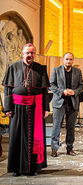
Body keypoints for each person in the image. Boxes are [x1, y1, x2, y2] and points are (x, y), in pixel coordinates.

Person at [2, 43, 50, 176]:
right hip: (17, 108)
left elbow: (44, 91)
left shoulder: (41, 69)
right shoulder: (13, 67)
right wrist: (8, 108)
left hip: (35, 108)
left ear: (35, 54)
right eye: (27, 53)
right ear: (22, 54)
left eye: (32, 53)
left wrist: (46, 108)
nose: (30, 55)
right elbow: (8, 89)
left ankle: (33, 168)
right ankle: (16, 169)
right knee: (16, 137)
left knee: (34, 137)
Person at [50, 52, 83, 157]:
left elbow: (81, 85)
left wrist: (75, 92)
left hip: (72, 103)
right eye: (66, 59)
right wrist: (62, 92)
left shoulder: (77, 72)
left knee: (71, 127)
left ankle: (70, 148)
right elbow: (51, 84)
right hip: (59, 102)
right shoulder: (56, 70)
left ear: (73, 60)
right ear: (63, 60)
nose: (68, 61)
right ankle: (54, 149)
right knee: (56, 126)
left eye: (70, 59)